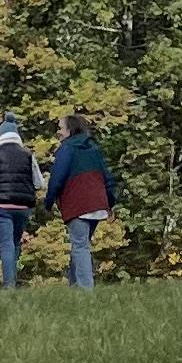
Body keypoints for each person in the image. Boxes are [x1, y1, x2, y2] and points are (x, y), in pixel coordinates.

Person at [48, 112, 116, 286]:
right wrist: (110, 202)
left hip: (78, 204)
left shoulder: (66, 149)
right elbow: (107, 177)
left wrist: (48, 202)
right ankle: (74, 286)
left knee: (80, 246)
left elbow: (57, 178)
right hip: (97, 204)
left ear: (70, 130)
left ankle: (86, 290)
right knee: (81, 244)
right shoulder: (94, 149)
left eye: (60, 128)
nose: (58, 132)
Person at [0, 119, 37, 287]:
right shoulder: (28, 154)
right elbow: (38, 183)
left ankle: (9, 284)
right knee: (15, 243)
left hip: (2, 205)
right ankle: (13, 279)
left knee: (6, 244)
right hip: (24, 206)